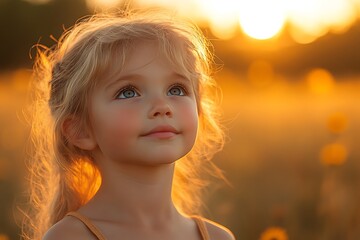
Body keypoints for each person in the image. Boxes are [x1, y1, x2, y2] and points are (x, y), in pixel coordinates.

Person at [23, 9, 235, 240]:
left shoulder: (217, 237)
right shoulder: (71, 237)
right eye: (128, 92)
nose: (162, 106)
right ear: (80, 130)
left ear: (199, 111)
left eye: (177, 89)